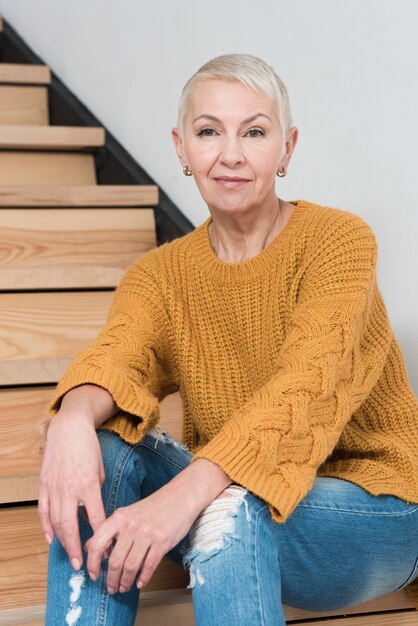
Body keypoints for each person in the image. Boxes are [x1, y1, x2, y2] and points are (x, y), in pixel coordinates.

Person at [40, 53, 418, 625]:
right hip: (229, 493)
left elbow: (299, 394)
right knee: (106, 446)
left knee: (231, 509)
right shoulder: (162, 274)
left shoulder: (339, 241)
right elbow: (117, 359)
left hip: (374, 505)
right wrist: (69, 423)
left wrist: (184, 496)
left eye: (255, 132)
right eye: (209, 131)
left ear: (286, 148)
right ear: (181, 147)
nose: (231, 154)